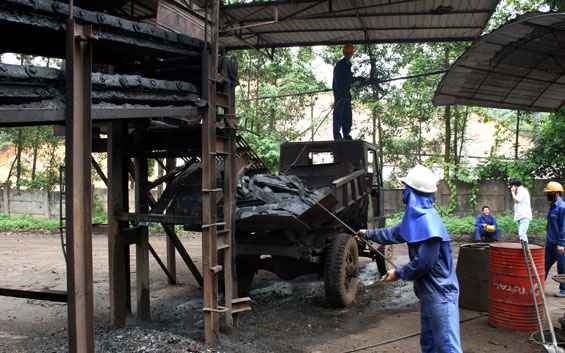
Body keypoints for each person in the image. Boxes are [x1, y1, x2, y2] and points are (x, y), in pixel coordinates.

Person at [356, 165, 462, 353]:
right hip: (428, 294)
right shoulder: (415, 217)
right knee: (429, 345)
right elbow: (395, 232)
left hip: (440, 295)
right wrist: (369, 234)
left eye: (405, 188)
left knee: (447, 347)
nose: (403, 191)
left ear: (413, 192)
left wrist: (398, 273)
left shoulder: (428, 222)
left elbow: (424, 263)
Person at [332, 44, 364, 140]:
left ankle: (346, 134)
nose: (349, 55)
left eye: (350, 53)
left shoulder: (348, 65)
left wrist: (358, 79)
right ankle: (337, 135)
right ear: (344, 53)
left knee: (347, 115)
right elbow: (336, 80)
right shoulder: (340, 65)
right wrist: (340, 92)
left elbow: (348, 79)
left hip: (346, 94)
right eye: (347, 53)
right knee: (338, 114)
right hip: (340, 94)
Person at [543, 182, 565, 297]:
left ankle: (564, 290)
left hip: (559, 243)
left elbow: (564, 227)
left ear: (557, 193)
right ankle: (539, 287)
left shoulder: (562, 207)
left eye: (550, 193)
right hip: (550, 242)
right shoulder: (552, 206)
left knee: (562, 267)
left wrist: (562, 243)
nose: (548, 195)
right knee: (544, 264)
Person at [510, 178, 532, 243]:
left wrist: (513, 192)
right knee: (521, 235)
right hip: (520, 216)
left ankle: (525, 250)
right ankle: (523, 250)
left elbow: (516, 200)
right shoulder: (520, 191)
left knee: (522, 234)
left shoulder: (522, 191)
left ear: (514, 185)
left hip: (524, 215)